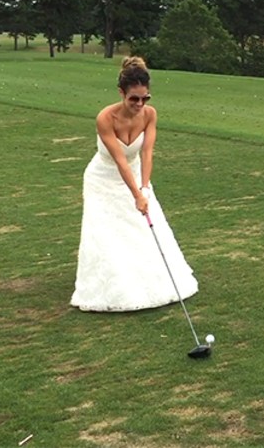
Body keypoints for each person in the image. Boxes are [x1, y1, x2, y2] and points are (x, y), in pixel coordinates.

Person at [70, 56, 198, 311]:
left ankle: (150, 281)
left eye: (145, 98)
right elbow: (120, 160)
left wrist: (145, 188)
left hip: (137, 175)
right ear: (121, 93)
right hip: (103, 178)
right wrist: (136, 193)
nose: (140, 104)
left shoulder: (150, 115)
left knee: (142, 228)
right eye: (134, 99)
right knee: (108, 232)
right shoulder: (105, 118)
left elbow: (146, 153)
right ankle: (113, 288)